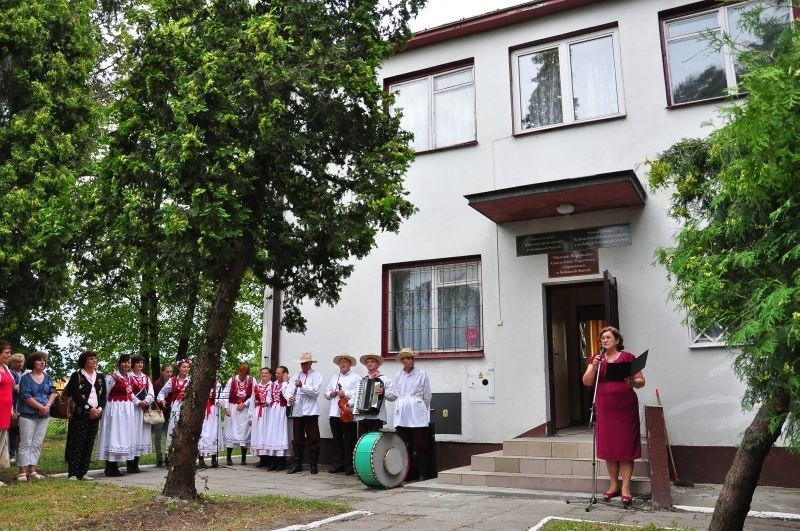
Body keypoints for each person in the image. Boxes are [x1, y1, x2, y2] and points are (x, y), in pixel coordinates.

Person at [582, 326, 645, 508]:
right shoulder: (597, 358)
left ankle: (626, 488)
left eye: (608, 337)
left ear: (617, 340)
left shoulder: (628, 358)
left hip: (625, 409)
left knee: (625, 449)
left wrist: (633, 381)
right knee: (610, 449)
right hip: (605, 409)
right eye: (602, 338)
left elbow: (641, 381)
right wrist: (593, 367)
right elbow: (587, 382)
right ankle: (613, 485)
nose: (605, 340)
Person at [64, 350, 107, 481]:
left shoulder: (100, 377)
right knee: (78, 443)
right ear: (84, 361)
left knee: (89, 443)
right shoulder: (77, 376)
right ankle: (73, 473)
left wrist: (99, 408)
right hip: (81, 414)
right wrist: (89, 409)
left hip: (96, 414)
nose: (94, 361)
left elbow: (103, 396)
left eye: (95, 358)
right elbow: (76, 395)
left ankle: (83, 472)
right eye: (91, 359)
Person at [16, 352, 57, 481]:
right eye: (39, 360)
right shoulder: (26, 378)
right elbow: (25, 396)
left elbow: (53, 392)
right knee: (25, 441)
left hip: (44, 414)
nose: (42, 362)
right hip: (28, 414)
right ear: (33, 362)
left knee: (37, 442)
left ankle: (32, 470)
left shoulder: (48, 377)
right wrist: (40, 407)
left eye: (44, 360)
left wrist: (47, 406)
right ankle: (22, 470)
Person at [96, 354, 139, 476]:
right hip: (115, 409)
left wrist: (139, 402)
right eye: (124, 362)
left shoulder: (130, 378)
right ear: (119, 363)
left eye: (129, 362)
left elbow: (131, 395)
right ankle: (110, 466)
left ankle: (114, 465)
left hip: (126, 410)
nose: (127, 365)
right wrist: (102, 408)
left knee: (122, 436)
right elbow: (105, 394)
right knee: (114, 435)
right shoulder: (112, 377)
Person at [393, 348, 432, 482]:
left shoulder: (421, 374)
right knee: (404, 443)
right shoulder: (398, 375)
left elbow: (427, 396)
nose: (411, 360)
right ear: (402, 360)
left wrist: (420, 409)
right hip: (403, 414)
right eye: (408, 358)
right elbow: (398, 393)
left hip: (416, 413)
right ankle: (407, 472)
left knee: (419, 444)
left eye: (412, 358)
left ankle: (422, 472)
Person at [284, 352, 322, 474]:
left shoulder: (316, 375)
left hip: (311, 411)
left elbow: (315, 392)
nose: (303, 365)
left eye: (306, 363)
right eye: (302, 363)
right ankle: (297, 463)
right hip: (297, 411)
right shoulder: (296, 375)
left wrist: (302, 386)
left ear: (310, 363)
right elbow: (288, 390)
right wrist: (289, 397)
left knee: (313, 438)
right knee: (297, 439)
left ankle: (313, 465)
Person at [324, 353, 360, 475]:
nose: (343, 364)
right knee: (337, 439)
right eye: (341, 362)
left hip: (347, 412)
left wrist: (346, 393)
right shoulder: (334, 377)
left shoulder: (356, 377)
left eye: (345, 362)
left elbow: (358, 393)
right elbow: (326, 393)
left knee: (349, 439)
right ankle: (337, 464)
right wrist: (331, 394)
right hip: (335, 412)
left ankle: (349, 465)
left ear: (350, 364)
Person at [157, 358, 191, 463]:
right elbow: (162, 393)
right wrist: (162, 400)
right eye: (184, 367)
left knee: (186, 431)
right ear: (179, 368)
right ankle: (169, 454)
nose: (186, 369)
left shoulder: (192, 380)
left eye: (188, 367)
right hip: (176, 407)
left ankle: (185, 456)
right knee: (173, 430)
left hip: (188, 408)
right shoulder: (173, 380)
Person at [355, 353, 397, 438]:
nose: (369, 364)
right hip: (363, 416)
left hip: (377, 417)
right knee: (362, 442)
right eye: (367, 362)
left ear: (378, 364)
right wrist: (350, 405)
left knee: (375, 442)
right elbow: (357, 396)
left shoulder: (384, 379)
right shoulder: (363, 380)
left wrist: (383, 391)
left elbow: (394, 396)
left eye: (372, 362)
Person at [223, 362, 253, 465]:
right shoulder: (232, 380)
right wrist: (226, 407)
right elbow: (225, 394)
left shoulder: (251, 380)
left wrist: (245, 404)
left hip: (244, 410)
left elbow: (254, 396)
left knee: (244, 432)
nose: (242, 376)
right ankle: (228, 457)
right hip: (233, 408)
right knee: (230, 431)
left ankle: (243, 458)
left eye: (244, 374)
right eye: (241, 374)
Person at [129, 355, 155, 473]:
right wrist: (138, 402)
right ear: (133, 364)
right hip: (132, 409)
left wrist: (146, 401)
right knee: (132, 434)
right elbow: (128, 392)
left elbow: (151, 392)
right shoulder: (129, 377)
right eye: (138, 363)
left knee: (141, 435)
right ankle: (130, 463)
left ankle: (136, 463)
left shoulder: (146, 378)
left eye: (142, 363)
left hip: (143, 409)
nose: (140, 365)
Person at [264, 365, 291, 471]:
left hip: (282, 410)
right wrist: (267, 402)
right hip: (274, 410)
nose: (277, 375)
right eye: (276, 373)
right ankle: (273, 461)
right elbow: (269, 397)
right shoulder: (273, 385)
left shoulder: (288, 384)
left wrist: (285, 382)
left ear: (284, 374)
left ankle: (281, 462)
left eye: (279, 373)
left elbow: (287, 396)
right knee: (273, 434)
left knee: (281, 434)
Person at [249, 367, 273, 468]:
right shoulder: (257, 386)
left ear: (270, 375)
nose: (264, 375)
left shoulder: (272, 385)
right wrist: (250, 416)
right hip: (257, 412)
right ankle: (262, 459)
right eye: (262, 373)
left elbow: (272, 398)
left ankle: (268, 459)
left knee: (267, 434)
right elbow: (252, 401)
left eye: (266, 373)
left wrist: (267, 403)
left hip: (268, 412)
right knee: (259, 434)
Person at [198, 378, 223, 468]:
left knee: (213, 433)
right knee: (202, 433)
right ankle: (201, 458)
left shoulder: (218, 384)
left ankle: (213, 458)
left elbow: (221, 398)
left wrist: (219, 401)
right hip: (201, 410)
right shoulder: (199, 382)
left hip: (213, 411)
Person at [0, 340, 15, 487]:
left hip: (5, 411)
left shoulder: (6, 368)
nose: (9, 355)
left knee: (2, 443)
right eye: (6, 353)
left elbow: (10, 389)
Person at [152, 364, 173, 467]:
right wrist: (157, 408)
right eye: (167, 371)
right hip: (159, 411)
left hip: (169, 410)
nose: (169, 374)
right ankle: (159, 458)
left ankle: (167, 456)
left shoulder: (174, 382)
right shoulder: (157, 384)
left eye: (170, 372)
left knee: (169, 434)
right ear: (162, 372)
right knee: (158, 435)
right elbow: (153, 397)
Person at [8, 352, 25, 464]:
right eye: (17, 362)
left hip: (24, 405)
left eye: (21, 362)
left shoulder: (26, 373)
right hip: (13, 404)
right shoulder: (10, 373)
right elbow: (13, 388)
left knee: (21, 431)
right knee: (12, 430)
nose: (19, 364)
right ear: (12, 363)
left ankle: (20, 454)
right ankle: (11, 453)